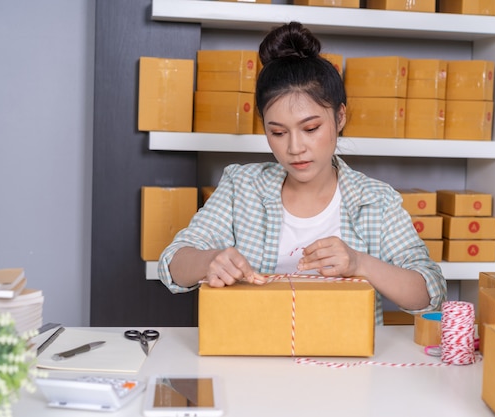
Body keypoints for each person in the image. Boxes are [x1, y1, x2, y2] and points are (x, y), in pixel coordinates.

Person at [158, 21, 446, 325]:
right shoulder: (241, 186)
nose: (295, 148)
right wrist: (209, 261)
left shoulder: (376, 200)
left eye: (310, 129)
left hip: (346, 363)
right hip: (253, 353)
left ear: (340, 117)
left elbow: (431, 292)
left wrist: (360, 263)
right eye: (278, 132)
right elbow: (172, 263)